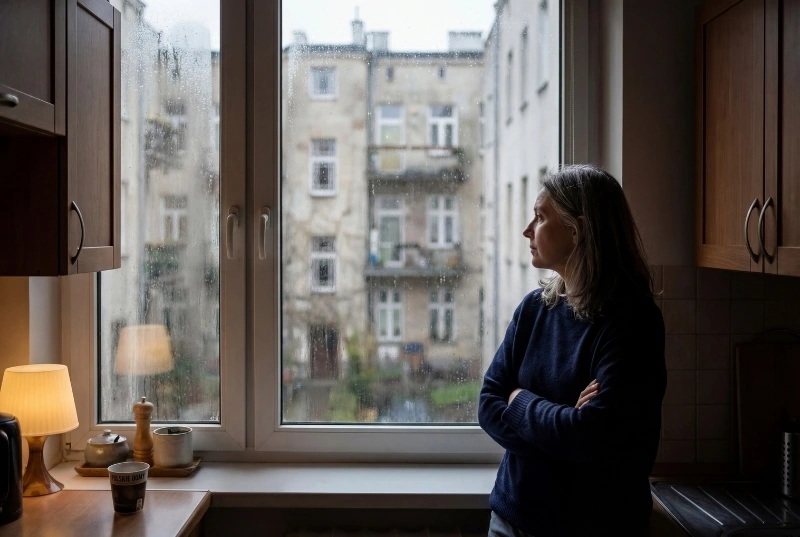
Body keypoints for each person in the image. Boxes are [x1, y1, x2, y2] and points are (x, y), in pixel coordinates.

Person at [479, 164, 666, 537]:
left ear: (576, 231)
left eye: (540, 217)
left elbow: (593, 438)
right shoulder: (534, 309)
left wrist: (518, 401)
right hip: (512, 517)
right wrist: (563, 427)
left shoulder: (632, 323)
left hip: (593, 527)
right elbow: (487, 404)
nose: (527, 231)